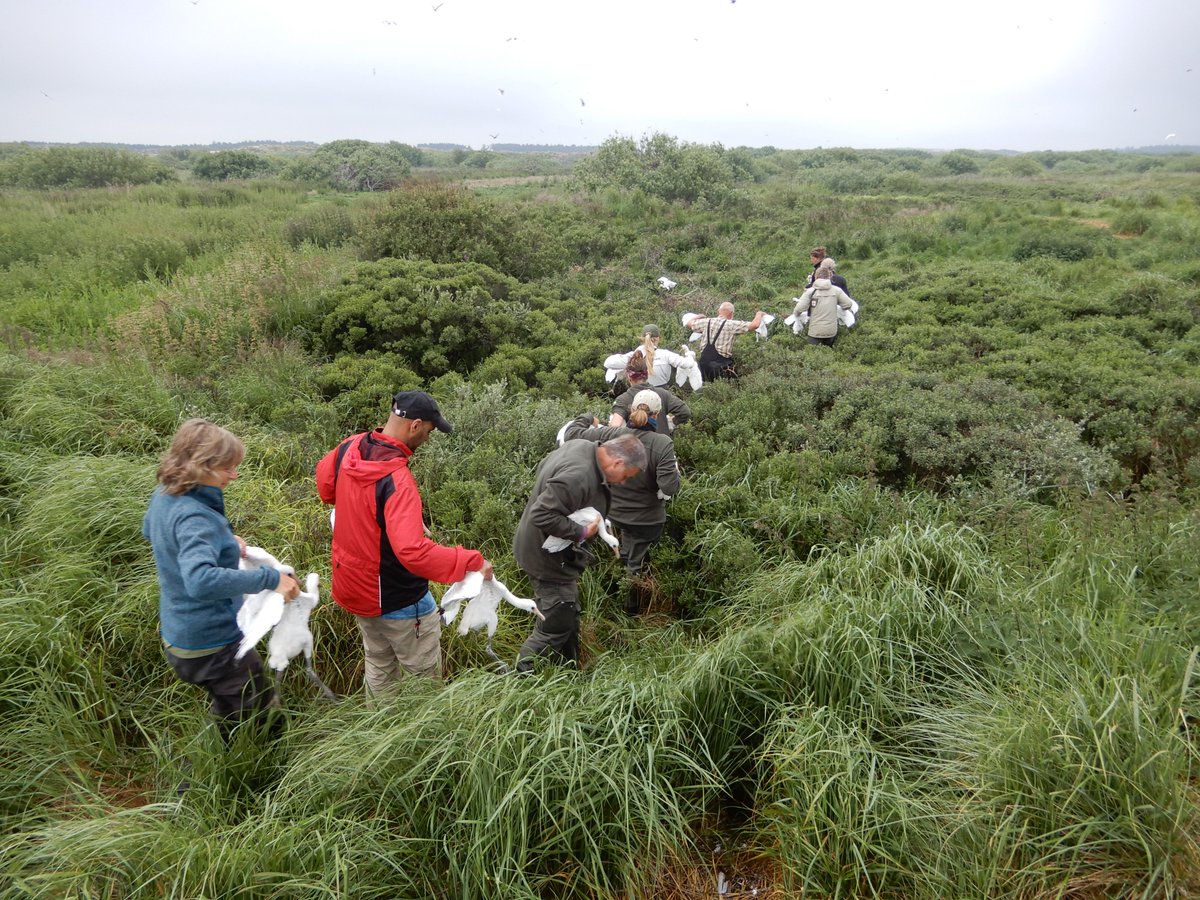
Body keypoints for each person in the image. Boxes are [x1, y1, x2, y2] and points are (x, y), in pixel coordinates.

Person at [316, 390, 494, 695]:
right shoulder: (397, 480)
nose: (427, 438)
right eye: (428, 431)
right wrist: (472, 561)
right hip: (398, 599)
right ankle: (423, 737)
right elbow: (412, 552)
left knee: (379, 665)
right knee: (423, 679)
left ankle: (380, 730)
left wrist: (377, 517)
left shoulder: (349, 448)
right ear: (415, 426)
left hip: (356, 589)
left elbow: (326, 488)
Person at [143, 418, 302, 745]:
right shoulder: (195, 515)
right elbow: (200, 580)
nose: (235, 475)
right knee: (249, 714)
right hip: (210, 643)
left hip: (180, 634)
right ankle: (207, 781)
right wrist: (271, 578)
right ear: (202, 466)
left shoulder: (167, 495)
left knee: (239, 703)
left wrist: (225, 543)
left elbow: (155, 533)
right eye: (228, 468)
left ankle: (242, 754)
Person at [513, 433, 646, 671]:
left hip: (544, 549)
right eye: (625, 476)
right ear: (617, 463)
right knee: (555, 622)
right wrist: (582, 533)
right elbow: (541, 514)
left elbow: (546, 473)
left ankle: (570, 674)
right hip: (547, 559)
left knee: (567, 612)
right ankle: (519, 682)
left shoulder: (582, 447)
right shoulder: (579, 475)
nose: (623, 483)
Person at [564, 390, 681, 616]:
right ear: (657, 414)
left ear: (631, 410)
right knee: (634, 567)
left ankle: (602, 598)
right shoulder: (662, 443)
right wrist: (675, 473)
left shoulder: (612, 434)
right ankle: (631, 616)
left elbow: (571, 434)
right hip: (646, 521)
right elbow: (669, 488)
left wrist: (588, 417)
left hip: (612, 515)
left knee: (620, 557)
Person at [609, 352, 691, 434]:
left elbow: (614, 427)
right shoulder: (663, 393)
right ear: (647, 374)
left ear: (629, 376)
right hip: (663, 444)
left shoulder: (623, 399)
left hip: (636, 445)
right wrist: (671, 423)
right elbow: (684, 412)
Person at [686, 301, 765, 381]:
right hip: (721, 366)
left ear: (718, 311)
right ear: (731, 314)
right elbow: (755, 325)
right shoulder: (732, 324)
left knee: (705, 388)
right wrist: (759, 314)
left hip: (703, 365)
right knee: (731, 386)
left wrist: (699, 316)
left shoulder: (706, 322)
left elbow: (689, 323)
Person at [602, 324, 697, 388]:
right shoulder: (665, 354)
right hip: (661, 393)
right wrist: (690, 355)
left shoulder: (634, 356)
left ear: (642, 338)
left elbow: (608, 363)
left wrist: (625, 358)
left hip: (638, 393)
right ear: (658, 338)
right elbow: (687, 364)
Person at [795, 261, 855, 347]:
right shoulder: (836, 290)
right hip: (831, 331)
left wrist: (797, 316)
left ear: (816, 277)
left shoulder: (810, 291)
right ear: (830, 276)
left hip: (815, 332)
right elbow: (848, 304)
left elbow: (799, 309)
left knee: (813, 354)